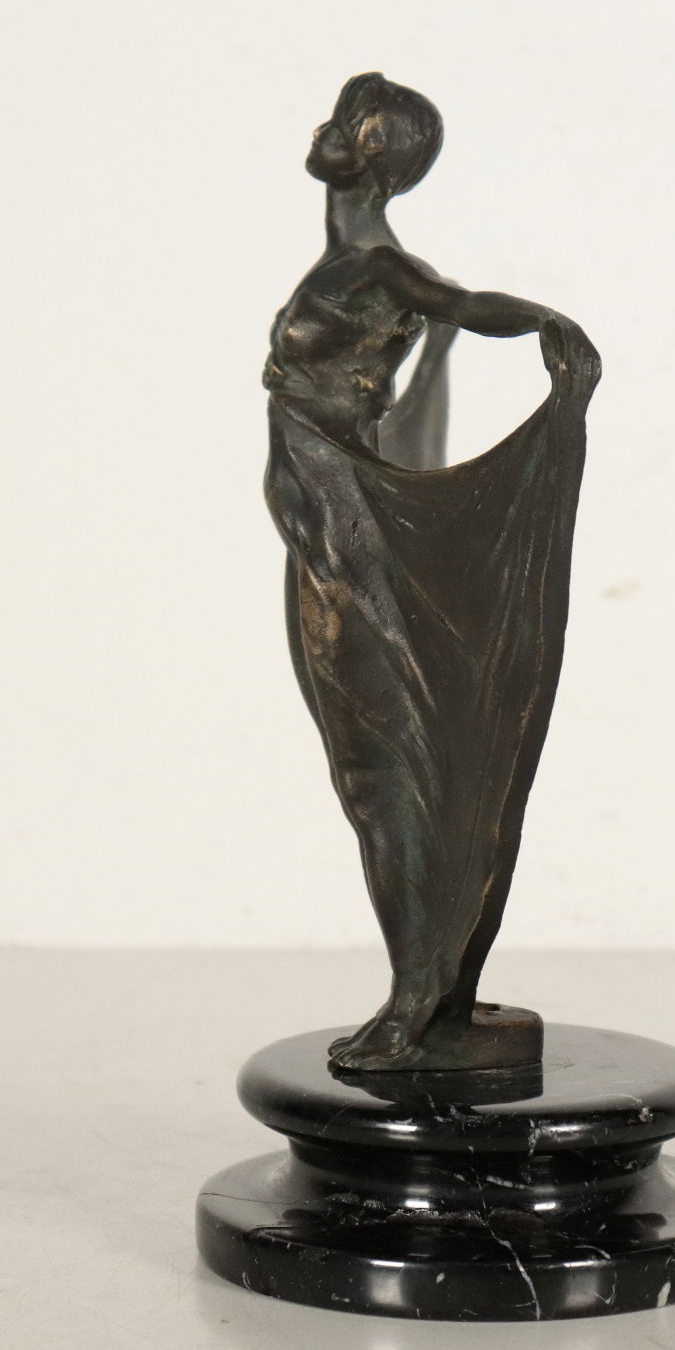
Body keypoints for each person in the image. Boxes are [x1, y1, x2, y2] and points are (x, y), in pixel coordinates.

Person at [263, 73, 600, 1070]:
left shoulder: (382, 268)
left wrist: (546, 324)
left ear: (373, 157)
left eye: (346, 123)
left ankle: (417, 1000)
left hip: (347, 520)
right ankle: (434, 983)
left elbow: (462, 304)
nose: (324, 131)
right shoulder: (347, 260)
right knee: (364, 765)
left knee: (384, 762)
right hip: (316, 518)